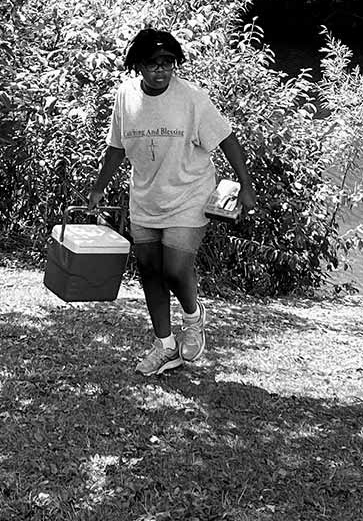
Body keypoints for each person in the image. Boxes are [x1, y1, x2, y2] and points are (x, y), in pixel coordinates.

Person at [79, 28, 254, 376]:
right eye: (153, 63)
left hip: (189, 194)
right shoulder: (125, 97)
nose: (161, 70)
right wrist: (99, 188)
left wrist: (246, 186)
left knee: (174, 269)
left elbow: (227, 140)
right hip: (145, 196)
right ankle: (165, 346)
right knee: (149, 272)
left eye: (168, 63)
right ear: (138, 66)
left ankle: (193, 316)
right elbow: (116, 147)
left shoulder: (192, 98)